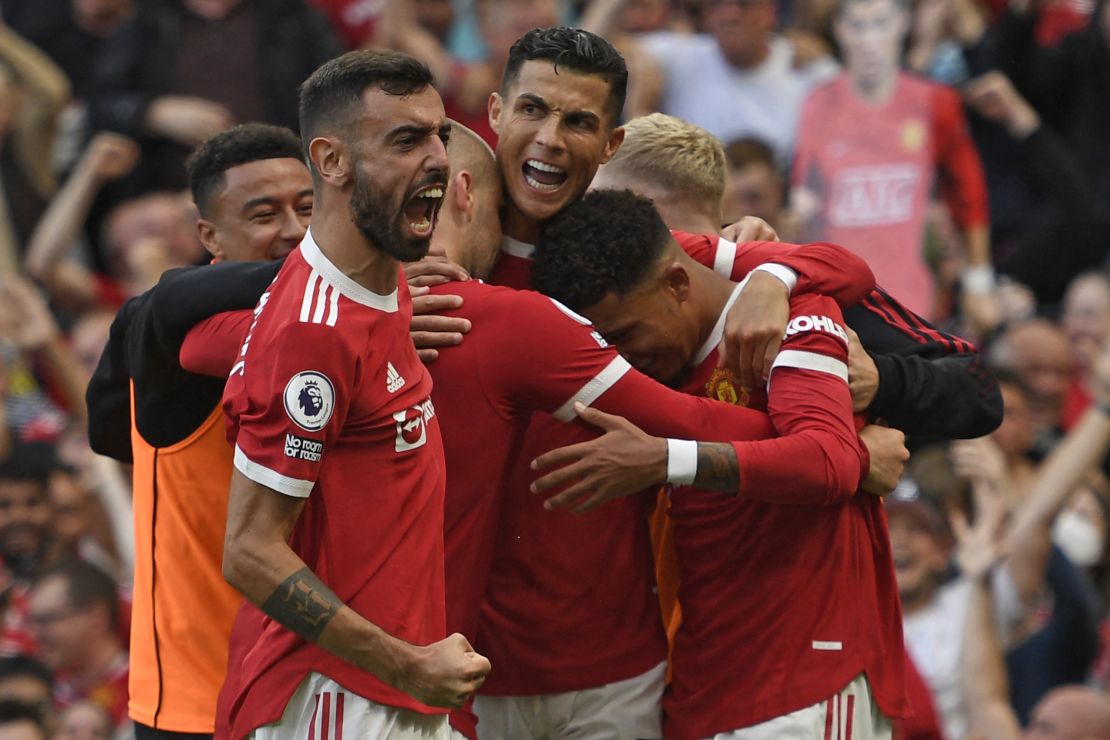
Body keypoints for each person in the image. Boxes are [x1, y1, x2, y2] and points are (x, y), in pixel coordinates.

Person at [177, 121, 906, 740]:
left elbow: (184, 338)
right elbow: (700, 423)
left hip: (498, 680)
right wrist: (831, 449)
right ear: (468, 191)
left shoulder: (362, 319)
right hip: (406, 683)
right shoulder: (484, 319)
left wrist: (778, 288)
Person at [529, 189, 910, 738]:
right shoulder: (648, 269)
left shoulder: (792, 315)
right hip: (703, 687)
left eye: (625, 337)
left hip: (801, 687)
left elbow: (827, 461)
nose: (619, 361)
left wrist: (664, 459)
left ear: (678, 284)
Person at [217, 50, 489, 739]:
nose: (435, 157)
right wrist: (406, 665)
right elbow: (249, 550)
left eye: (438, 134)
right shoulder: (313, 334)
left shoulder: (384, 274)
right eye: (405, 140)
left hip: (384, 691)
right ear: (332, 162)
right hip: (330, 699)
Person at [84, 123, 313, 739]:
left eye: (309, 208)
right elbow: (159, 303)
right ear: (208, 236)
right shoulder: (170, 332)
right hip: (198, 703)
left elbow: (108, 432)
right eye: (264, 213)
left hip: (317, 692)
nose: (293, 230)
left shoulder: (337, 324)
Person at [792, 0, 990, 322]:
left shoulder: (934, 103)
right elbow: (803, 203)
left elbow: (968, 194)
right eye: (857, 26)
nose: (869, 41)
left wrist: (980, 282)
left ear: (904, 23)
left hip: (915, 302)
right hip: (839, 303)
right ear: (840, 29)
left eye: (881, 23)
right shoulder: (818, 104)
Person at [27, 561, 128, 732]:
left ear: (96, 617)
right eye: (32, 623)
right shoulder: (39, 695)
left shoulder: (146, 688)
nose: (35, 634)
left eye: (46, 620)